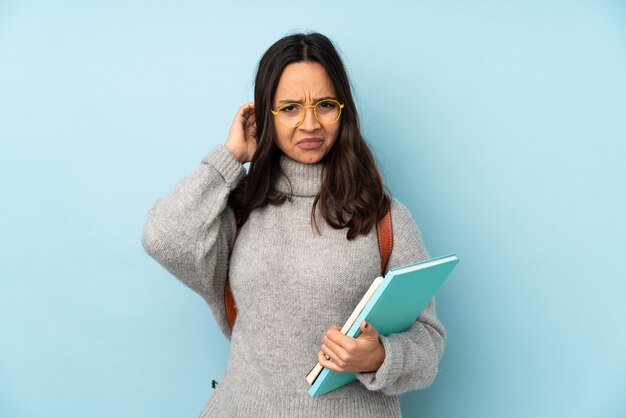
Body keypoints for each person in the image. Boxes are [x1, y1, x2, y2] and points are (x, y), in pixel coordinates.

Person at [141, 32, 445, 418]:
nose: (309, 123)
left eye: (325, 105)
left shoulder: (384, 217)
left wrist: (380, 356)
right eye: (289, 108)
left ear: (344, 110)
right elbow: (163, 237)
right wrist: (230, 157)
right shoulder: (238, 209)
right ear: (264, 114)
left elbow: (428, 344)